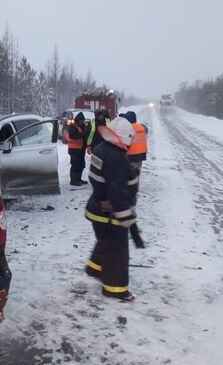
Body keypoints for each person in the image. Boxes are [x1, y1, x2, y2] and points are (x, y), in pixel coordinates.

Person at [84, 116, 137, 302]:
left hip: (97, 207)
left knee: (106, 241)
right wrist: (125, 216)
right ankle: (115, 289)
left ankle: (95, 267)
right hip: (110, 211)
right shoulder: (115, 157)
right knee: (118, 250)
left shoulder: (101, 148)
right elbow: (116, 190)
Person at [121, 110, 149, 248]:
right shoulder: (141, 127)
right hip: (140, 156)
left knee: (130, 179)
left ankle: (131, 192)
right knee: (136, 175)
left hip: (130, 157)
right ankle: (134, 188)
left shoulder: (129, 128)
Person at [67, 112, 88, 186]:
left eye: (83, 121)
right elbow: (72, 135)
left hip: (81, 148)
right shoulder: (72, 126)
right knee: (75, 165)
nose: (82, 122)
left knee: (81, 165)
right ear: (77, 120)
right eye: (81, 120)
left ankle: (79, 179)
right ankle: (73, 181)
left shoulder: (82, 126)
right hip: (74, 149)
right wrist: (82, 135)